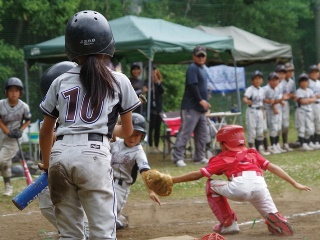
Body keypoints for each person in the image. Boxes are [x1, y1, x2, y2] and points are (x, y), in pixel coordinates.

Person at [38, 10, 141, 239]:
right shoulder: (119, 80)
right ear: (108, 43)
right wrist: (105, 133)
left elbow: (46, 132)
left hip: (60, 156)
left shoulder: (59, 81)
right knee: (102, 231)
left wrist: (47, 165)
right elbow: (128, 131)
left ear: (71, 47)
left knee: (70, 234)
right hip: (94, 156)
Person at [171, 125, 312, 236]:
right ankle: (277, 220)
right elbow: (272, 167)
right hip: (260, 185)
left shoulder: (223, 157)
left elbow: (198, 174)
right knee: (271, 213)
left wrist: (172, 180)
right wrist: (294, 183)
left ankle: (228, 224)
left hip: (239, 186)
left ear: (225, 144)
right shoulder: (252, 153)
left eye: (221, 143)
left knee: (210, 185)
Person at [111, 113, 161, 229]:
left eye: (137, 135)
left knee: (107, 221)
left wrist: (151, 191)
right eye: (130, 134)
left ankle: (120, 221)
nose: (132, 138)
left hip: (120, 188)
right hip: (104, 182)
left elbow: (145, 172)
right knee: (96, 213)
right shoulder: (115, 143)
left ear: (142, 136)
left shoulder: (139, 152)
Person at [172, 46, 211, 167]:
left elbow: (203, 87)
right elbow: (192, 86)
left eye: (202, 55)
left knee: (202, 133)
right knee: (186, 132)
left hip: (200, 108)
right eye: (198, 55)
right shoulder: (192, 68)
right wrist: (200, 100)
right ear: (194, 56)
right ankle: (178, 157)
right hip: (191, 106)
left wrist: (206, 100)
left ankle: (199, 157)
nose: (200, 57)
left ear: (205, 57)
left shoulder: (204, 69)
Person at [0, 77, 31, 196]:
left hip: (14, 140)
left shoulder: (24, 106)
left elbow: (28, 121)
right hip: (2, 135)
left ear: (20, 93)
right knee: (6, 163)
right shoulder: (1, 104)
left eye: (16, 91)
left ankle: (8, 187)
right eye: (11, 90)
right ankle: (8, 187)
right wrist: (7, 131)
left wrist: (20, 130)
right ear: (6, 92)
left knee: (1, 160)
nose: (14, 93)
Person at [243, 70, 270, 155]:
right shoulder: (250, 89)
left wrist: (263, 112)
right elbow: (245, 98)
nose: (258, 80)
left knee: (260, 130)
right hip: (252, 111)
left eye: (259, 78)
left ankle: (260, 148)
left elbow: (262, 101)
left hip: (260, 110)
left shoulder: (262, 90)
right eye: (256, 78)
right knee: (252, 130)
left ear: (262, 80)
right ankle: (252, 149)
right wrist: (247, 101)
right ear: (252, 80)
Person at [145, 65, 165, 153]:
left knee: (157, 127)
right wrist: (151, 87)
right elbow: (145, 90)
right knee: (150, 127)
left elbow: (162, 91)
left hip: (158, 108)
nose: (152, 72)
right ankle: (150, 145)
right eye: (151, 70)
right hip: (150, 108)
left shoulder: (159, 82)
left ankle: (156, 146)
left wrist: (157, 82)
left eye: (154, 70)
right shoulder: (147, 81)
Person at [295, 73, 317, 151]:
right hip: (301, 111)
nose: (304, 83)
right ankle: (303, 144)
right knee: (302, 128)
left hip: (308, 110)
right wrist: (309, 100)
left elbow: (314, 99)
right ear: (299, 83)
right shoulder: (299, 91)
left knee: (309, 128)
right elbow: (302, 101)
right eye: (302, 81)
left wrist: (308, 100)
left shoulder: (309, 90)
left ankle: (308, 142)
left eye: (305, 81)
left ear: (308, 82)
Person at [263, 72, 283, 154]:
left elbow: (275, 100)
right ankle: (272, 145)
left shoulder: (278, 88)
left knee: (278, 128)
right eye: (273, 80)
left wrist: (279, 102)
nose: (275, 82)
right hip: (268, 110)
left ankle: (276, 144)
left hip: (276, 109)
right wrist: (273, 106)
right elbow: (264, 100)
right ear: (268, 81)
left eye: (276, 80)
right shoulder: (266, 89)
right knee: (273, 128)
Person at [307, 64, 320, 149]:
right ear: (309, 74)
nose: (315, 74)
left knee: (318, 123)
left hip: (318, 104)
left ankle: (317, 141)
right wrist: (315, 96)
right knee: (311, 123)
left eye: (316, 72)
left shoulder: (319, 82)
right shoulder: (307, 82)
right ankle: (311, 141)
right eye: (312, 72)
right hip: (311, 105)